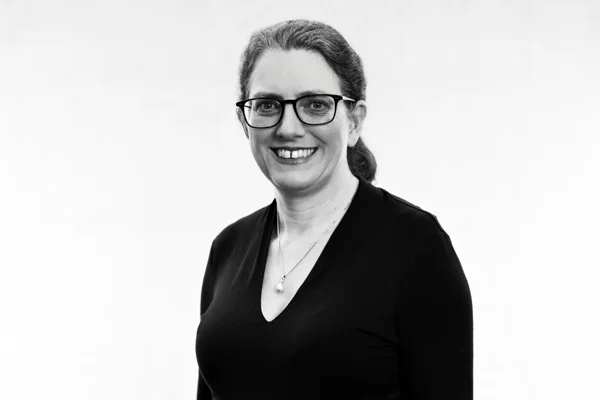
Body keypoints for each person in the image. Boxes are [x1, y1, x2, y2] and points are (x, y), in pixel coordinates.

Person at [195, 19, 473, 400]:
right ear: (246, 122)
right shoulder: (228, 248)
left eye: (315, 105)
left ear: (354, 121)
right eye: (267, 105)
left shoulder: (416, 248)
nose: (288, 128)